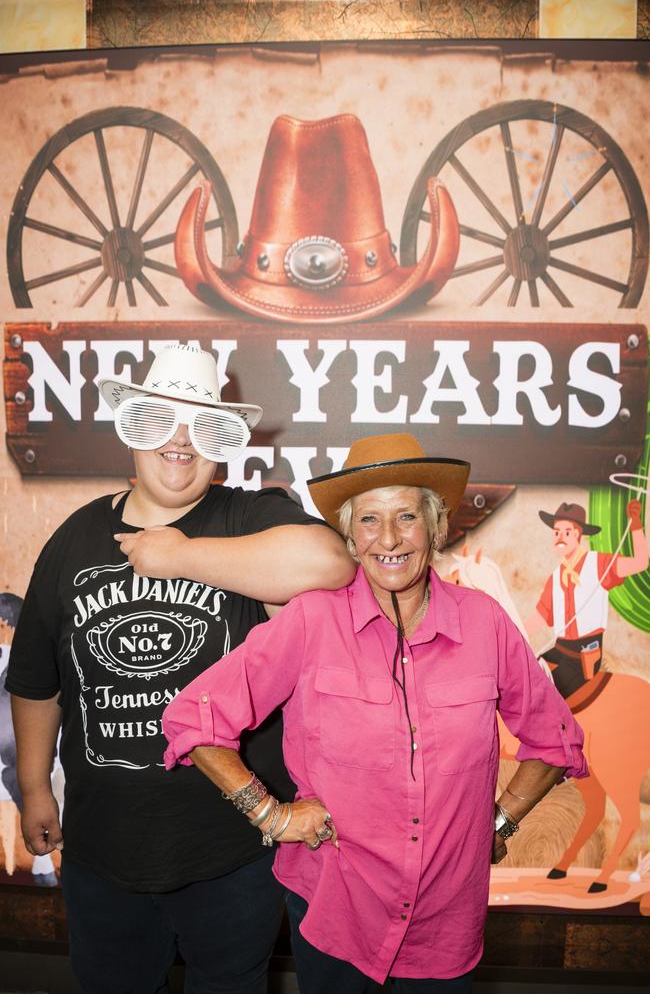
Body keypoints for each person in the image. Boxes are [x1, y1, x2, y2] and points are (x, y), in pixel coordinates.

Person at [163, 433, 587, 994]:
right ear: (349, 534)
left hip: (445, 924)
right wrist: (272, 816)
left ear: (436, 528)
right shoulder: (311, 620)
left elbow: (555, 739)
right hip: (334, 912)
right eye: (369, 520)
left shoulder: (484, 623)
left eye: (407, 516)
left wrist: (500, 821)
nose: (388, 538)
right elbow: (196, 717)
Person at [7, 344, 354, 994]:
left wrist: (182, 556)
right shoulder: (74, 539)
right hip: (102, 850)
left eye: (202, 426)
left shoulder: (247, 516)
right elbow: (36, 677)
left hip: (229, 852)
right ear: (130, 429)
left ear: (223, 443)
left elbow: (330, 562)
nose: (180, 441)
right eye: (159, 420)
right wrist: (32, 787)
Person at [525, 501, 648, 698]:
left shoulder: (599, 564)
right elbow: (540, 617)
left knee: (545, 695)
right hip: (560, 649)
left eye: (567, 532)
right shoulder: (555, 577)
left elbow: (639, 563)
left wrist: (635, 526)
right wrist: (514, 634)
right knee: (526, 675)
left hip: (584, 654)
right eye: (556, 532)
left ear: (578, 534)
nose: (560, 538)